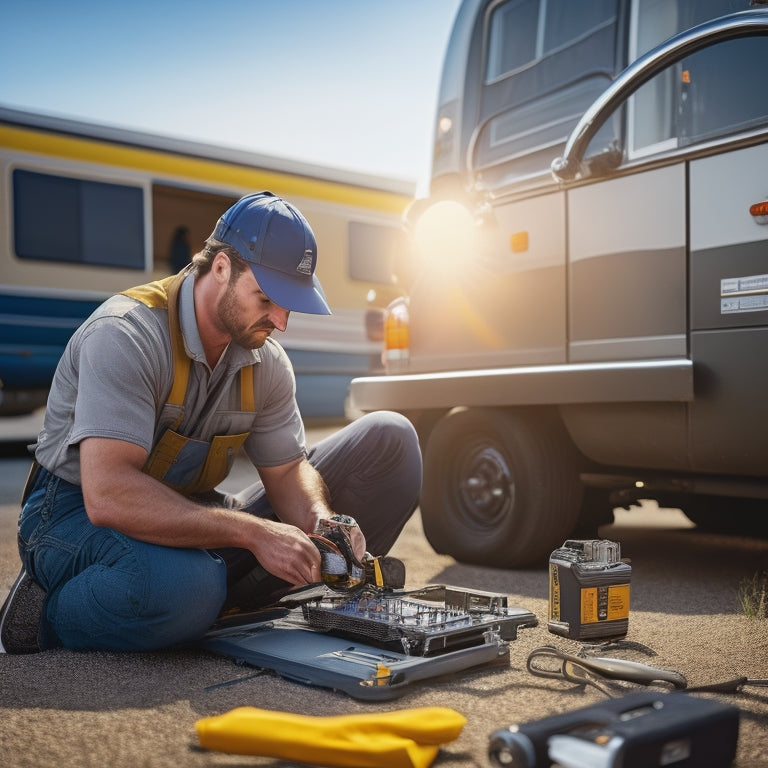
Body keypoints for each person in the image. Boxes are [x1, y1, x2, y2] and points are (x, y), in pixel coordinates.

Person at [0, 191, 422, 654]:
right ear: (221, 267)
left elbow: (286, 471)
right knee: (188, 590)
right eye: (267, 298)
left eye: (291, 304)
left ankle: (215, 597)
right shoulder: (125, 335)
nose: (280, 321)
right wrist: (254, 532)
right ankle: (52, 612)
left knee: (391, 439)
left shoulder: (267, 362)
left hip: (192, 511)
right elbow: (109, 494)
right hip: (74, 515)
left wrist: (322, 523)